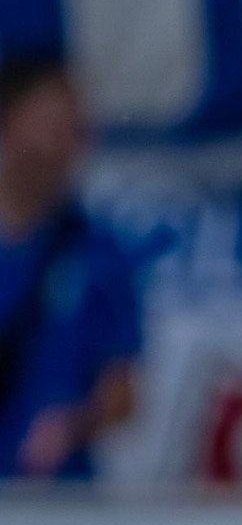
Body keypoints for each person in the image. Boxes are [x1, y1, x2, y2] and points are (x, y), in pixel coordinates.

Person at [0, 51, 144, 482]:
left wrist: (74, 424)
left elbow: (123, 391)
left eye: (75, 129)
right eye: (52, 126)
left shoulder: (98, 251)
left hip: (58, 499)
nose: (68, 144)